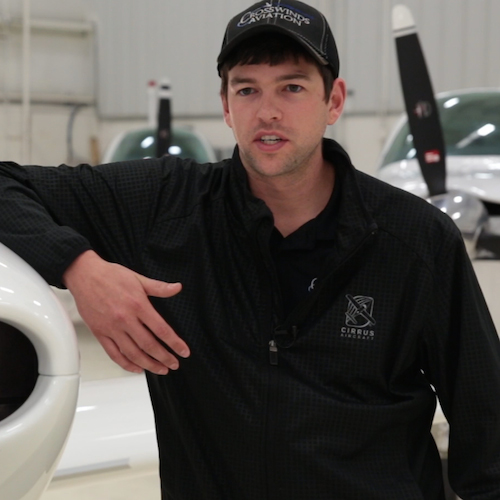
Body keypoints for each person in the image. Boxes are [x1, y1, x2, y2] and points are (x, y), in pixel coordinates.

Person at [1, 1, 499, 498]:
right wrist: (80, 268)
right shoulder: (164, 204)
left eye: (292, 87)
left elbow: (488, 431)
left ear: (334, 101)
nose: (267, 112)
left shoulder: (416, 240)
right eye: (247, 89)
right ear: (226, 106)